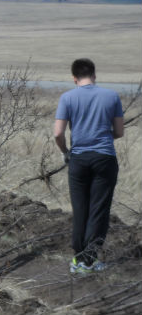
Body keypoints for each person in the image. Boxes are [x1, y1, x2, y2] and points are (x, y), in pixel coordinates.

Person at [54, 58, 124, 274]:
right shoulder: (111, 96)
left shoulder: (67, 97)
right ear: (94, 75)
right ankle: (89, 261)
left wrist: (67, 152)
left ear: (74, 78)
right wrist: (102, 136)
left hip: (78, 159)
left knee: (80, 209)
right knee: (99, 210)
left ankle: (78, 259)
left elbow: (58, 133)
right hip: (104, 158)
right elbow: (119, 132)